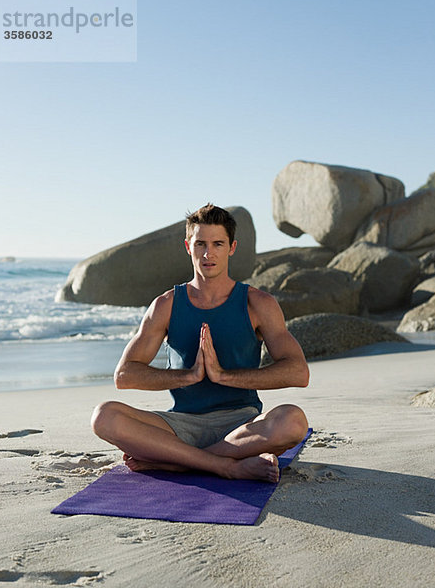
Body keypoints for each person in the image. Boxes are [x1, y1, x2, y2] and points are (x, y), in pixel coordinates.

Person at [91, 204, 309, 483]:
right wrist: (190, 375)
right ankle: (224, 466)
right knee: (104, 416)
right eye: (200, 244)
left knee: (293, 421)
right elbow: (124, 376)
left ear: (231, 248)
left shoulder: (258, 303)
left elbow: (298, 372)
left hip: (242, 425)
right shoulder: (166, 305)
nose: (208, 253)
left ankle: (181, 462)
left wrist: (223, 376)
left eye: (218, 243)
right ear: (188, 246)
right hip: (181, 424)